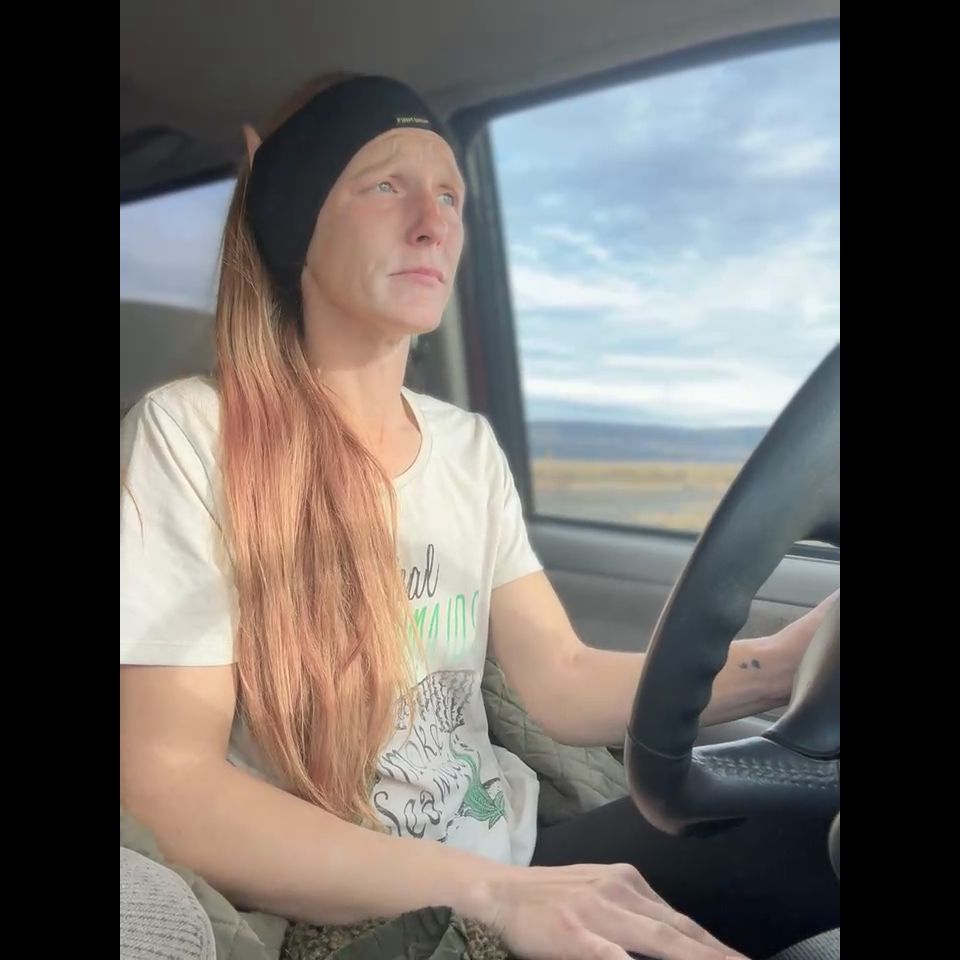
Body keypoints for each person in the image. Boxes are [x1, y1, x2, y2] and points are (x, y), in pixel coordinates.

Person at [120, 73, 839, 960]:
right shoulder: (191, 434)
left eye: (451, 195)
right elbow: (170, 784)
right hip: (361, 909)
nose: (433, 223)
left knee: (816, 825)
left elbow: (561, 681)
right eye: (386, 185)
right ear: (292, 215)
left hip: (517, 860)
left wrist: (787, 666)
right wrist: (495, 897)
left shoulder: (465, 448)